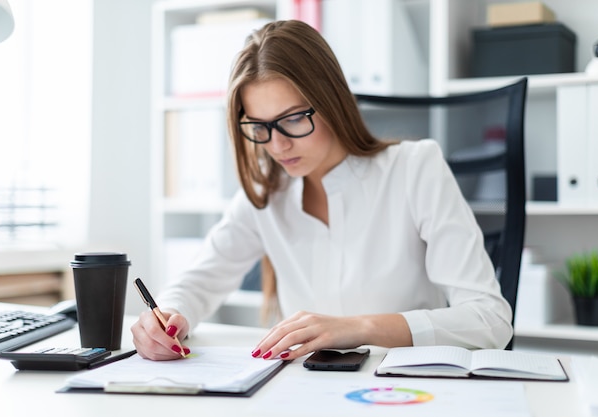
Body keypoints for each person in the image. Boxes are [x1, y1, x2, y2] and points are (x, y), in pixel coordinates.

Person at [131, 19, 513, 361]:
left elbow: (490, 320)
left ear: (332, 100)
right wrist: (165, 318)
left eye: (293, 119)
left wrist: (360, 327)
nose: (277, 146)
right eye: (259, 126)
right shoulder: (266, 193)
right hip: (303, 390)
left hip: (400, 389)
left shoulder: (415, 168)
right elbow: (199, 281)